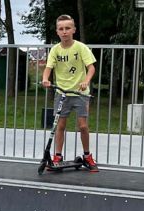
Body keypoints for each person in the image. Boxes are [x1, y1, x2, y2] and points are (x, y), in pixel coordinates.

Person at [41, 14, 98, 171]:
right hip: (62, 93)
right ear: (57, 32)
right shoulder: (55, 50)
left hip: (80, 93)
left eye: (67, 28)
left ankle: (87, 155)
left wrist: (86, 80)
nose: (64, 32)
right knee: (60, 126)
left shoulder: (80, 47)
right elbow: (48, 68)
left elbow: (91, 67)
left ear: (73, 29)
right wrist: (45, 79)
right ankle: (57, 156)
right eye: (61, 29)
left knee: (83, 126)